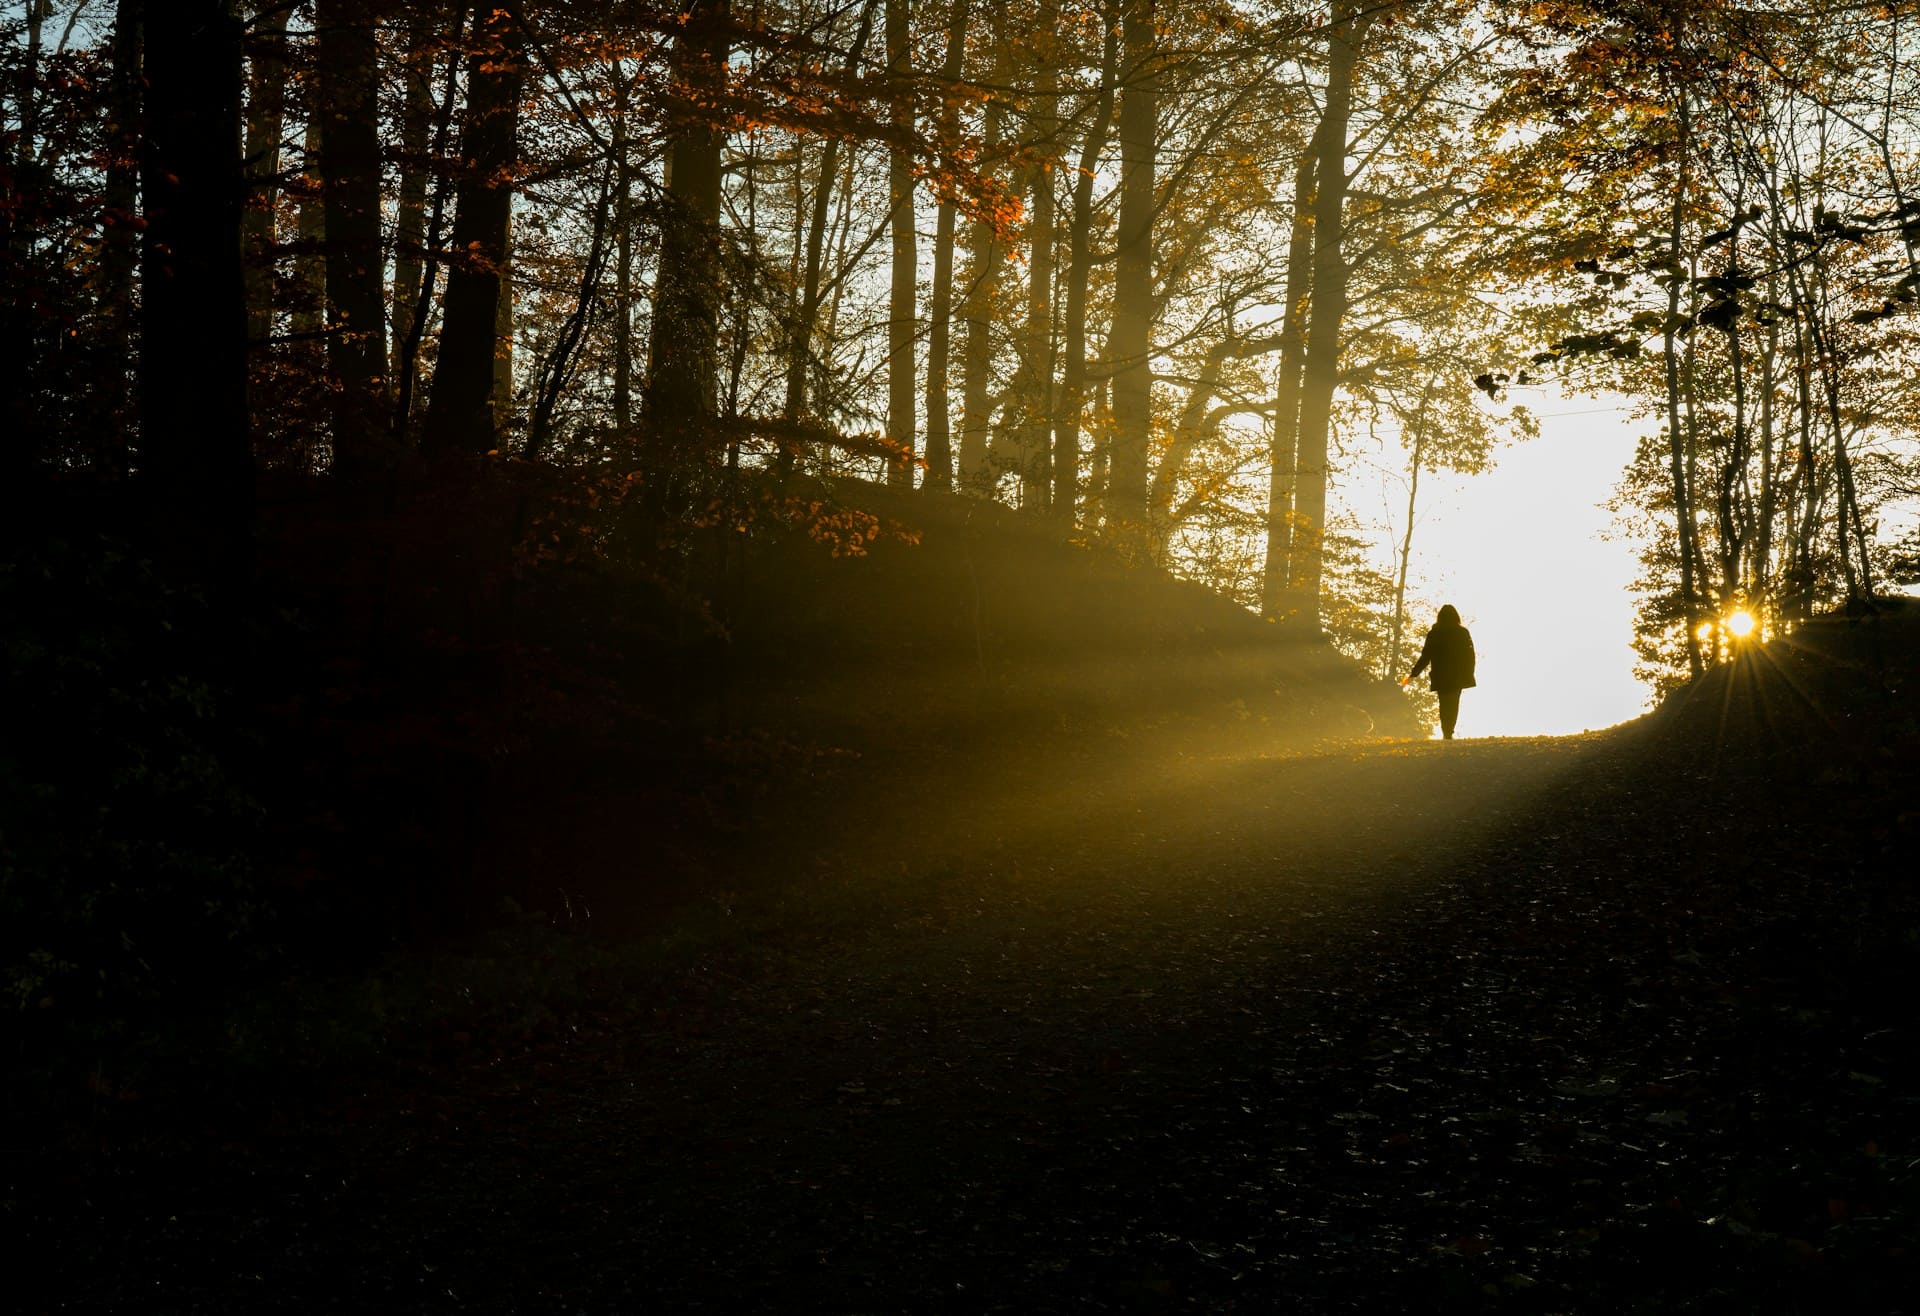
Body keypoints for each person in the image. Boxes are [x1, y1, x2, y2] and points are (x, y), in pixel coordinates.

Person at [1404, 604, 1477, 740]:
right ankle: (1449, 731)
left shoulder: (1435, 633)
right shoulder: (1462, 632)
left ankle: (1446, 732)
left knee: (1443, 704)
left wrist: (1414, 673)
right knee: (1453, 703)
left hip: (1440, 675)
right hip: (1457, 675)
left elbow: (1426, 656)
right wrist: (1469, 673)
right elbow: (1470, 655)